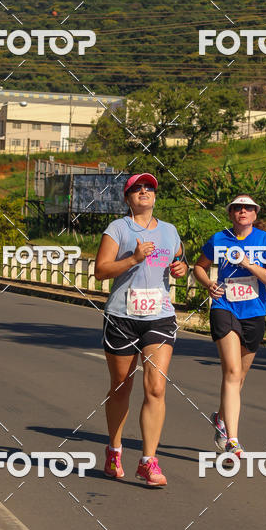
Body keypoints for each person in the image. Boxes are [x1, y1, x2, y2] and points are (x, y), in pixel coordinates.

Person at [95, 173, 187, 487]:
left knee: (156, 388)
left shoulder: (169, 231)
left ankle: (148, 461)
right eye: (137, 188)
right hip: (122, 317)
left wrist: (182, 268)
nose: (144, 191)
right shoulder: (118, 229)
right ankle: (114, 449)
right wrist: (133, 258)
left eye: (149, 188)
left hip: (159, 317)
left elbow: (179, 259)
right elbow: (100, 271)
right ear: (128, 197)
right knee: (121, 386)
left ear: (155, 196)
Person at [193, 195, 266, 457]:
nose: (243, 211)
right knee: (231, 371)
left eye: (248, 208)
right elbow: (199, 267)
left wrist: (249, 264)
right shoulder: (218, 239)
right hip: (224, 308)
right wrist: (209, 284)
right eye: (237, 208)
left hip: (254, 312)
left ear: (255, 214)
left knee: (239, 377)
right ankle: (232, 440)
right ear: (231, 213)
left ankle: (220, 418)